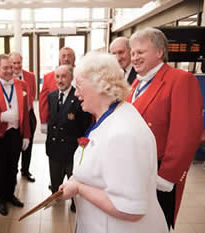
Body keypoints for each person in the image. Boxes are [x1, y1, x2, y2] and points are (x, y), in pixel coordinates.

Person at [58, 51, 168, 233]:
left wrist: (79, 188)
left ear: (100, 84)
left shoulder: (123, 133)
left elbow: (129, 209)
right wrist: (76, 179)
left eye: (79, 85)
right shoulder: (112, 116)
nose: (76, 93)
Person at [127, 27, 203, 230]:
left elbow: (186, 135)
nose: (134, 58)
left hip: (159, 174)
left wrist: (167, 176)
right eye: (133, 53)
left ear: (159, 52)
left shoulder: (180, 80)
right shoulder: (137, 83)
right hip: (136, 171)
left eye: (140, 52)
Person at [0, 54, 30, 216]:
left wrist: (26, 135)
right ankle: (1, 199)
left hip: (16, 133)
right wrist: (1, 116)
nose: (10, 70)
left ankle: (10, 195)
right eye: (5, 68)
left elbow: (26, 112)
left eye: (11, 67)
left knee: (13, 168)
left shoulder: (22, 85)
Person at [46, 64, 92, 212]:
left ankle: (74, 203)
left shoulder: (79, 96)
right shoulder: (52, 96)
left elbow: (85, 126)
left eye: (64, 76)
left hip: (72, 149)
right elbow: (52, 121)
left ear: (71, 78)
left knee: (73, 180)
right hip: (54, 148)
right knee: (55, 181)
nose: (60, 80)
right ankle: (56, 196)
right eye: (57, 77)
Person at [10, 51, 37, 182]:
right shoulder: (7, 78)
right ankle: (12, 171)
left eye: (18, 62)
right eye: (13, 63)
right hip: (14, 116)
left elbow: (33, 95)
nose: (16, 65)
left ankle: (25, 170)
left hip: (29, 114)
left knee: (29, 143)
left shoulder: (30, 76)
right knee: (15, 144)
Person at [39, 47, 75, 133]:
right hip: (56, 123)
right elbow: (43, 102)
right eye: (63, 56)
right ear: (59, 58)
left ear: (74, 58)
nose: (66, 59)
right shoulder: (48, 77)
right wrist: (43, 121)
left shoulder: (83, 75)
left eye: (69, 56)